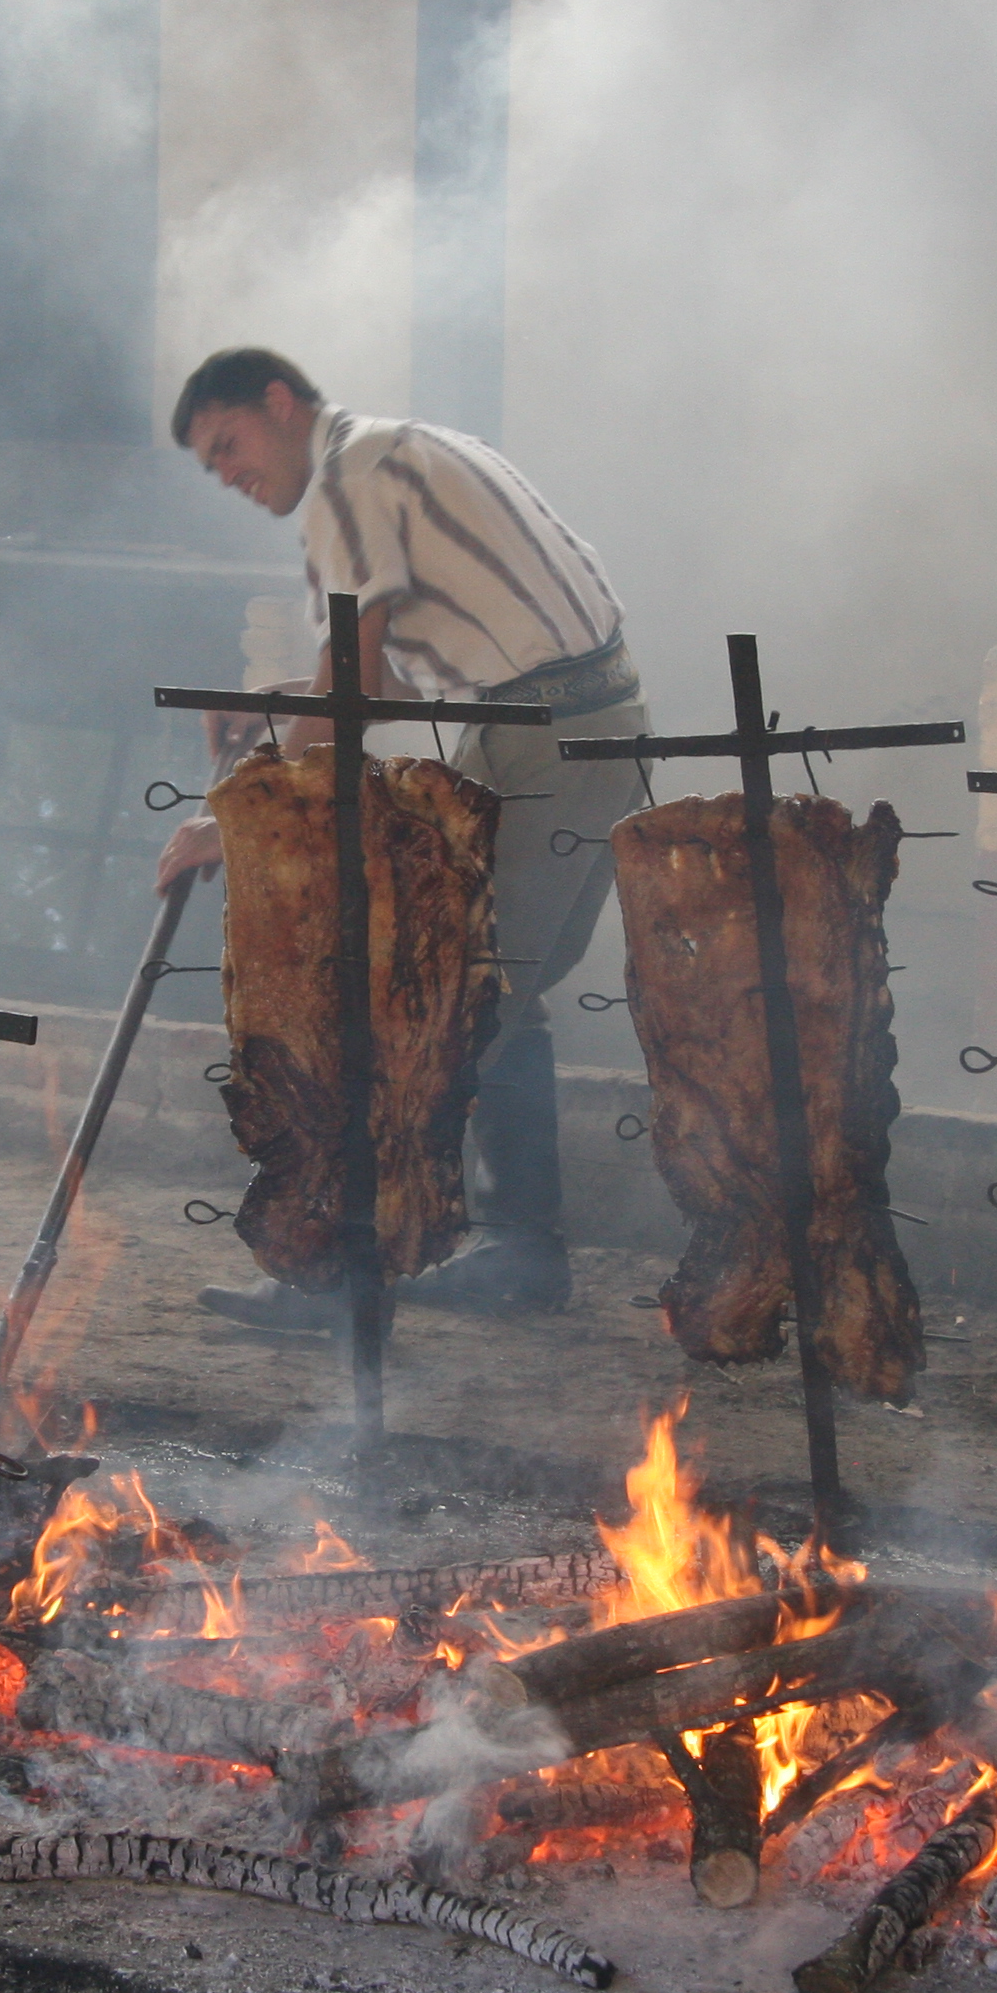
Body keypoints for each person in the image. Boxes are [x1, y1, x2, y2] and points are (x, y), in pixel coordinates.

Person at [157, 347, 648, 1326]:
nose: (227, 472)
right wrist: (275, 705)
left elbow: (354, 690)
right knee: (493, 986)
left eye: (229, 443)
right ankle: (522, 1249)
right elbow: (381, 679)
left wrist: (237, 814)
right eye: (209, 464)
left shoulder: (351, 478)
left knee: (443, 993)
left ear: (280, 402)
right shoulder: (395, 453)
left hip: (553, 739)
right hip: (551, 727)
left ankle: (345, 1275)